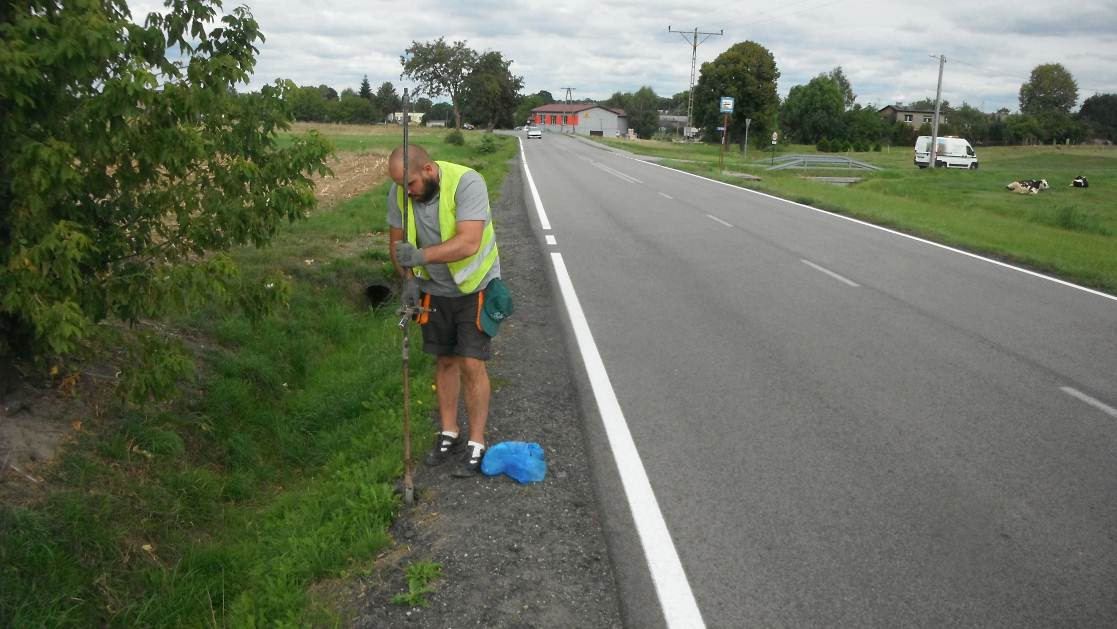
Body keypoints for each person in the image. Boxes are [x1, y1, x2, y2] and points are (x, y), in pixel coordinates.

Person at [386, 144, 505, 478]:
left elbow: (469, 242)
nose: (405, 193)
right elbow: (397, 244)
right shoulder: (399, 194)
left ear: (428, 170)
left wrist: (420, 258)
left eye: (409, 185)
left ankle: (476, 442)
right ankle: (449, 432)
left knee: (471, 361)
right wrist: (407, 278)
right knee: (446, 360)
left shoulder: (468, 183)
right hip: (433, 289)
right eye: (400, 187)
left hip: (474, 286)